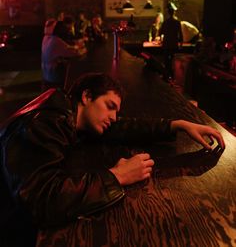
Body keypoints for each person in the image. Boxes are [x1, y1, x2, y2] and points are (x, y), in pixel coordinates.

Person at [0, 72, 225, 246]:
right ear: (87, 96)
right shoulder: (43, 124)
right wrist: (117, 176)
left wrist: (178, 125)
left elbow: (124, 126)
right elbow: (44, 201)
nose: (113, 117)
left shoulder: (67, 114)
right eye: (110, 107)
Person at [41, 20, 87, 89]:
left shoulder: (46, 38)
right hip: (53, 76)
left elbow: (65, 48)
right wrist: (83, 50)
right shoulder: (55, 41)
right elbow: (73, 52)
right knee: (75, 72)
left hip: (46, 74)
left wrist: (75, 46)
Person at [159, 3, 183, 80]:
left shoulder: (165, 22)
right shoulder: (177, 22)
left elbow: (160, 33)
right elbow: (180, 34)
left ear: (168, 13)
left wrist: (161, 40)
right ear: (174, 13)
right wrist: (181, 44)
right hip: (174, 44)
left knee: (166, 61)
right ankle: (173, 76)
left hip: (166, 44)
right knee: (173, 61)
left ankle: (166, 76)